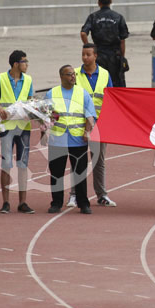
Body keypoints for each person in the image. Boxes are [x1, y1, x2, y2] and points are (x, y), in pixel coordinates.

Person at [41, 65, 96, 215]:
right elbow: (45, 116)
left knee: (80, 173)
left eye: (74, 74)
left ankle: (83, 203)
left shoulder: (82, 93)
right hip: (57, 139)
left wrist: (87, 132)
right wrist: (44, 132)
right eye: (69, 74)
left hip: (77, 139)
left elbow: (90, 115)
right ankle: (56, 203)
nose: (73, 76)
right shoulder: (52, 93)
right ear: (61, 77)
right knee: (56, 173)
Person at [70, 43, 116, 208]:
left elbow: (111, 98)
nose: (85, 57)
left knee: (98, 161)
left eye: (88, 54)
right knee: (78, 160)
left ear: (95, 56)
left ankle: (102, 195)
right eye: (83, 54)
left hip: (100, 124)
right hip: (78, 123)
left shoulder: (105, 74)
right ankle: (74, 195)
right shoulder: (75, 74)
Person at [0, 50, 34, 214]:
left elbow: (30, 100)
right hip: (7, 127)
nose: (27, 64)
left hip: (24, 127)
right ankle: (6, 202)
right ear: (16, 64)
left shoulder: (28, 80)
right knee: (6, 163)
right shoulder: (0, 79)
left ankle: (23, 202)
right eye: (24, 61)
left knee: (23, 164)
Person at [80, 0, 129, 88]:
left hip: (99, 54)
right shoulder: (118, 17)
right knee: (116, 83)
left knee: (100, 81)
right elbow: (122, 40)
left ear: (98, 3)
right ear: (111, 1)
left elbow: (83, 33)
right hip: (115, 55)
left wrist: (88, 46)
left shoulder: (93, 17)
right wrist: (122, 56)